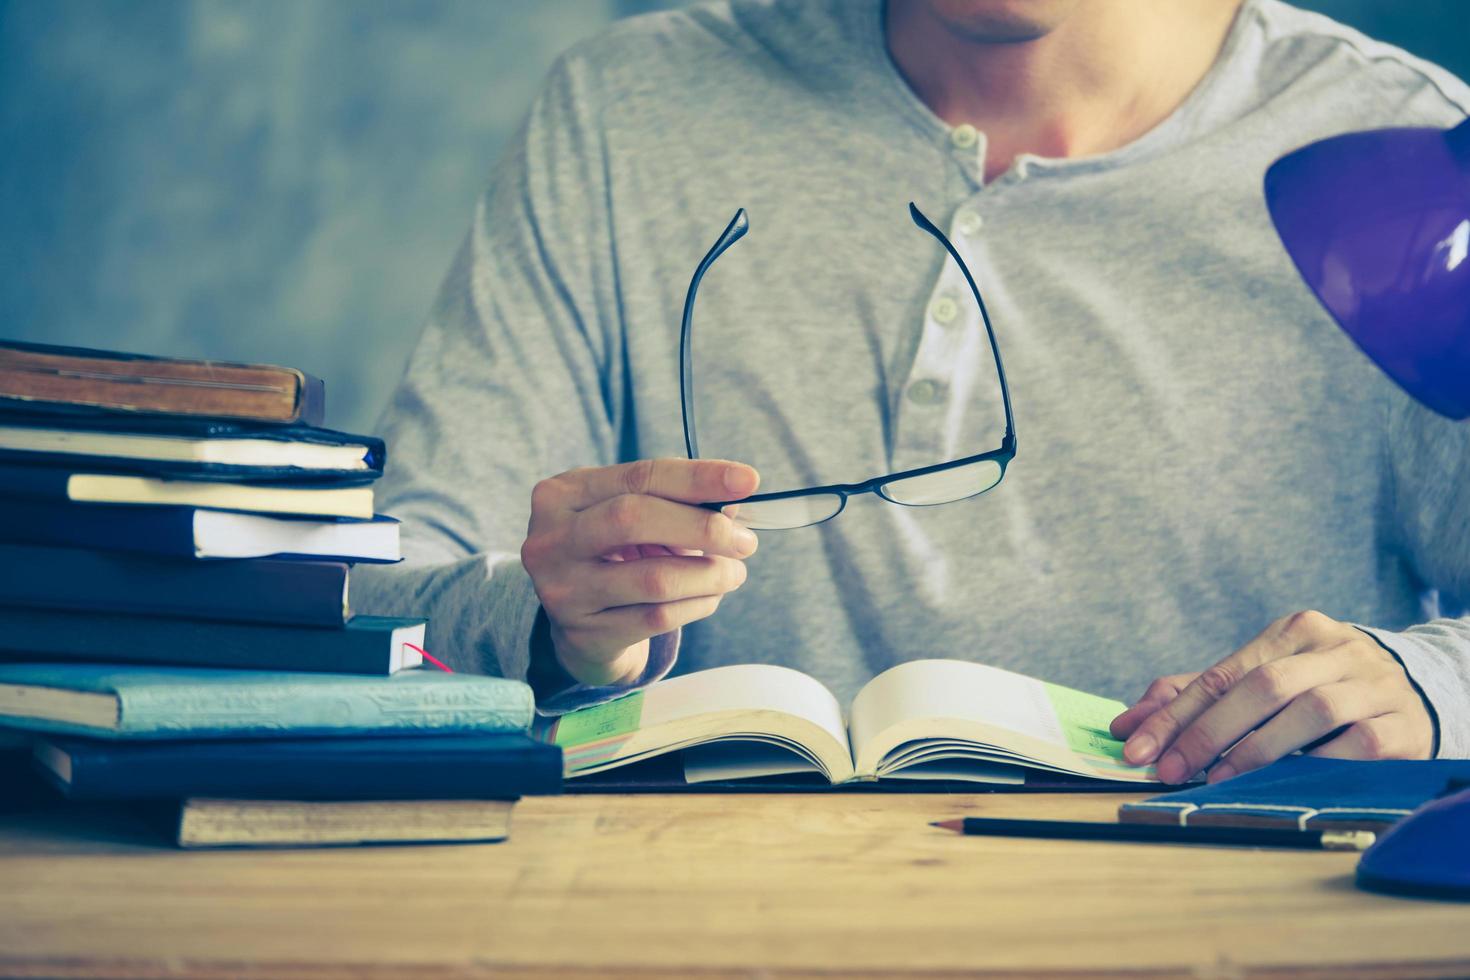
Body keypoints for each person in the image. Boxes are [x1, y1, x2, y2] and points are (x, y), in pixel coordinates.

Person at [354, 0, 1470, 781]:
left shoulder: (1417, 164)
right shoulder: (623, 110)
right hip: (692, 920)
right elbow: (364, 598)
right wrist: (544, 622)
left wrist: (1426, 687)